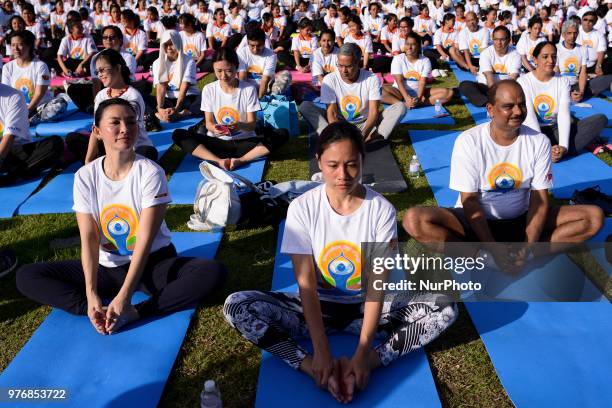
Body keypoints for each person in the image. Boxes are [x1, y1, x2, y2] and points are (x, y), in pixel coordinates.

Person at [224, 121, 457, 403]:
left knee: (445, 307)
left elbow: (376, 287)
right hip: (315, 310)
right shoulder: (302, 208)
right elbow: (306, 284)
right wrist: (320, 353)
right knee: (237, 305)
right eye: (333, 165)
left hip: (366, 309)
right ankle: (312, 368)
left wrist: (362, 354)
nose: (342, 175)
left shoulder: (381, 210)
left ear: (362, 160)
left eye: (351, 164)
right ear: (318, 162)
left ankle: (371, 362)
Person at [17, 98, 227, 335]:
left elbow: (145, 241)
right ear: (97, 131)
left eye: (130, 122)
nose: (125, 129)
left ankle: (135, 311)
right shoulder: (86, 176)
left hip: (152, 263)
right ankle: (98, 311)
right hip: (108, 268)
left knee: (212, 272)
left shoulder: (150, 172)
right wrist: (91, 293)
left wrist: (126, 299)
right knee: (28, 276)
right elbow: (89, 238)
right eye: (115, 123)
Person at [403, 80, 604, 271]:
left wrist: (528, 246)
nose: (517, 111)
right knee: (414, 219)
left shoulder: (539, 142)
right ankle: (486, 258)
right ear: (490, 109)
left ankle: (525, 255)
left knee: (593, 217)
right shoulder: (469, 141)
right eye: (508, 106)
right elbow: (470, 201)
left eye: (521, 105)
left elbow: (539, 199)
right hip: (475, 220)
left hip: (523, 218)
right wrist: (491, 249)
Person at [172, 47, 288, 170]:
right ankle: (218, 161)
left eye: (228, 71)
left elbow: (251, 125)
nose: (223, 76)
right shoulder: (209, 89)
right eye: (219, 71)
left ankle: (241, 160)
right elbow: (209, 124)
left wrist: (239, 126)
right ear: (213, 68)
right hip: (219, 142)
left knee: (282, 134)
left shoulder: (248, 89)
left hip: (245, 142)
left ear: (236, 67)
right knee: (178, 134)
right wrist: (215, 128)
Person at [518, 41, 608, 162]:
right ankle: (544, 150)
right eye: (545, 56)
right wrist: (543, 146)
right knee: (517, 138)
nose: (550, 60)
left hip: (555, 129)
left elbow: (563, 114)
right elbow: (530, 118)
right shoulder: (523, 82)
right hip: (531, 130)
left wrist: (563, 147)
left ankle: (557, 150)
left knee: (600, 119)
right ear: (535, 59)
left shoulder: (562, 81)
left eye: (554, 56)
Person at [300, 43, 405, 143]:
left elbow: (373, 112)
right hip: (340, 122)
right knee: (305, 106)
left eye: (348, 66)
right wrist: (340, 135)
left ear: (358, 63)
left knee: (400, 107)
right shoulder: (329, 80)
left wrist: (363, 135)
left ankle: (375, 137)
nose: (343, 70)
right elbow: (332, 113)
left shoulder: (371, 79)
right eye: (340, 65)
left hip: (365, 122)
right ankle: (332, 138)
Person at [66, 49, 157, 164]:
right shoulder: (101, 95)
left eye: (103, 70)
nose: (100, 75)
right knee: (73, 139)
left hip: (132, 147)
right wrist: (88, 161)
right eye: (97, 71)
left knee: (147, 154)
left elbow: (131, 132)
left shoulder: (133, 96)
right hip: (109, 145)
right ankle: (104, 162)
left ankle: (113, 163)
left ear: (118, 68)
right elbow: (96, 129)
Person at [0, 83, 63, 186]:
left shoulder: (14, 96)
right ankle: (15, 173)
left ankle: (13, 173)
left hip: (15, 151)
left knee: (55, 143)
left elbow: (9, 137)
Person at [382, 32, 453, 108]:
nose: (409, 47)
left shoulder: (425, 60)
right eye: (407, 44)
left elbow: (422, 82)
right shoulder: (397, 58)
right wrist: (407, 98)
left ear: (418, 46)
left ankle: (418, 103)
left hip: (419, 91)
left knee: (449, 93)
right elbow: (399, 81)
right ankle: (402, 104)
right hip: (399, 92)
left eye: (413, 44)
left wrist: (419, 98)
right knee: (377, 91)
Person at [458, 26, 521, 107]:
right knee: (465, 85)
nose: (499, 43)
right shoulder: (486, 53)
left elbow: (513, 79)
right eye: (496, 39)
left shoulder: (515, 54)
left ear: (509, 40)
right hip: (487, 87)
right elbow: (489, 78)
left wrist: (504, 93)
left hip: (505, 89)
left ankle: (494, 103)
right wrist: (495, 96)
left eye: (502, 39)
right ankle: (490, 103)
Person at [557, 19, 612, 103]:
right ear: (563, 35)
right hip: (560, 87)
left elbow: (583, 73)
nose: (572, 36)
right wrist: (567, 92)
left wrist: (581, 92)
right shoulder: (556, 49)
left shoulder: (582, 49)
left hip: (577, 85)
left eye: (575, 33)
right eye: (569, 33)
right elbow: (555, 74)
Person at [152, 30, 201, 123]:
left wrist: (177, 108)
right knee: (144, 98)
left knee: (204, 96)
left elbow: (184, 86)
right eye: (166, 45)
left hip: (186, 98)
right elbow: (161, 87)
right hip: (167, 100)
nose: (169, 48)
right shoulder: (157, 63)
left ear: (178, 43)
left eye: (172, 44)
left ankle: (181, 113)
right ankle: (163, 113)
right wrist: (160, 107)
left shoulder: (189, 61)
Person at [2, 31, 52, 118]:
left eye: (20, 44)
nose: (16, 48)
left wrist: (26, 112)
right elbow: (7, 94)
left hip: (38, 108)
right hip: (16, 109)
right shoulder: (7, 67)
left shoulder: (41, 66)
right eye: (13, 45)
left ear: (29, 46)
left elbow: (39, 94)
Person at [237, 27, 277, 99]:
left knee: (285, 76)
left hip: (266, 87)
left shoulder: (271, 55)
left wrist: (260, 99)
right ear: (248, 42)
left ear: (264, 43)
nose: (255, 50)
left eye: (259, 46)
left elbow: (265, 80)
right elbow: (242, 77)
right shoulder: (241, 53)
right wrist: (245, 97)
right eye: (252, 46)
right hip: (247, 87)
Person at [577, 11, 611, 75]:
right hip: (577, 65)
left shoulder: (599, 34)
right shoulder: (575, 32)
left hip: (593, 65)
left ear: (595, 22)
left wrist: (598, 66)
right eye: (585, 19)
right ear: (581, 20)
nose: (587, 22)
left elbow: (601, 51)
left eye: (591, 20)